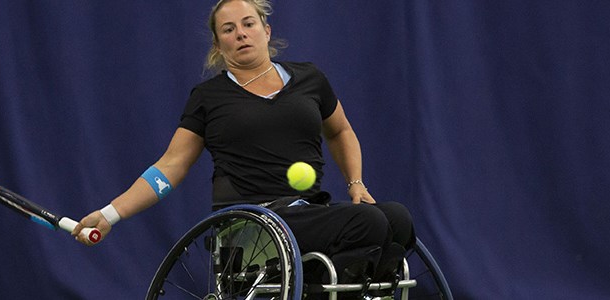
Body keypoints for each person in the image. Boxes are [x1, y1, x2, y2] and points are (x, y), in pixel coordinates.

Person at [73, 0, 414, 296]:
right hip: (252, 223)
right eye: (228, 29)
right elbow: (170, 166)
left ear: (266, 31)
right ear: (218, 45)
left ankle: (348, 291)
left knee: (396, 217)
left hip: (309, 212)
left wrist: (356, 182)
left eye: (248, 24)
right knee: (368, 223)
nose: (240, 33)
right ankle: (319, 289)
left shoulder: (310, 78)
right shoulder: (208, 98)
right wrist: (109, 214)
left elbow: (341, 131)